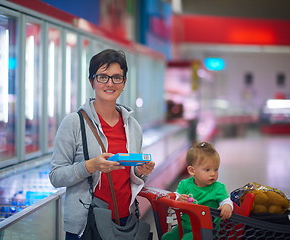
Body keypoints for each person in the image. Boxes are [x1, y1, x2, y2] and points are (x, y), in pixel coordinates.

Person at [49, 49, 155, 240]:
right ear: (92, 81)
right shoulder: (74, 123)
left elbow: (129, 176)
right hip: (86, 225)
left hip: (124, 221)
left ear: (124, 82)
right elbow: (56, 176)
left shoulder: (133, 126)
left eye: (116, 78)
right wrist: (91, 165)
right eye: (102, 77)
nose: (110, 83)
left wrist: (140, 172)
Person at [162, 142, 233, 240]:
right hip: (184, 225)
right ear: (192, 170)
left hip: (207, 230)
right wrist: (178, 199)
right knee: (167, 237)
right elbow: (175, 196)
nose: (213, 174)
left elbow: (226, 200)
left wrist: (227, 206)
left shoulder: (218, 188)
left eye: (216, 169)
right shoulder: (184, 184)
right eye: (207, 170)